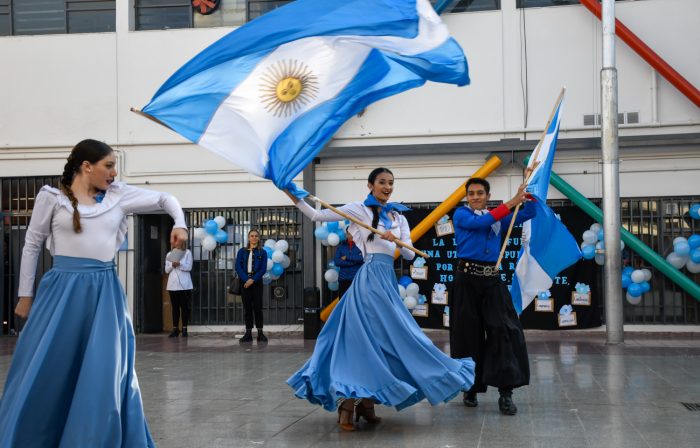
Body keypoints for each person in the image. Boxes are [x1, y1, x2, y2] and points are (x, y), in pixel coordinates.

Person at [0, 139, 188, 447]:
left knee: (104, 371)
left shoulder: (119, 196)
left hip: (104, 294)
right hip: (60, 293)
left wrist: (180, 224)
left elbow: (166, 198)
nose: (114, 173)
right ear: (87, 167)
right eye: (109, 166)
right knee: (48, 367)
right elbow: (32, 245)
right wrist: (25, 296)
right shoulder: (52, 198)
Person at [286, 167, 474, 431]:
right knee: (360, 341)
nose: (387, 187)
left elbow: (409, 256)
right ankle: (348, 404)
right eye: (382, 182)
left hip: (387, 282)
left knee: (388, 340)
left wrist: (396, 240)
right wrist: (290, 193)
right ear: (371, 185)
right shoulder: (358, 209)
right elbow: (317, 215)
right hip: (367, 280)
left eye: (391, 183)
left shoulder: (399, 216)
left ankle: (367, 402)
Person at [450, 177, 535, 416]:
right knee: (467, 335)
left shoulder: (500, 217)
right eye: (471, 193)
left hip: (492, 281)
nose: (475, 197)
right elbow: (483, 223)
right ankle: (470, 387)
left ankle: (506, 393)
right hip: (466, 280)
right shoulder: (461, 215)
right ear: (467, 196)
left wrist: (531, 194)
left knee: (505, 331)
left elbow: (529, 213)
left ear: (488, 195)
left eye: (480, 193)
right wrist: (512, 201)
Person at [235, 229, 268, 343]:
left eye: (256, 236)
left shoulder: (262, 252)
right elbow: (238, 267)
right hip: (245, 283)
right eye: (252, 236)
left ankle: (260, 333)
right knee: (247, 308)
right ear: (248, 238)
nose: (254, 238)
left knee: (258, 308)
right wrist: (246, 279)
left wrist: (253, 279)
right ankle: (248, 333)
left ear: (258, 238)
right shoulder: (242, 251)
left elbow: (263, 269)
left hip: (257, 283)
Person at [165, 240, 193, 338]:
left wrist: (179, 264)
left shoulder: (187, 253)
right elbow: (166, 270)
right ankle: (175, 329)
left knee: (184, 307)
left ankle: (185, 329)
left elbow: (189, 267)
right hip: (172, 285)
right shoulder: (169, 254)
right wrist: (172, 266)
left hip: (185, 285)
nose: (177, 243)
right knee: (175, 308)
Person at [333, 227, 364, 299]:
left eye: (352, 233)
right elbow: (337, 262)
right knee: (342, 303)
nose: (350, 235)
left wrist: (346, 257)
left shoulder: (361, 245)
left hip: (356, 278)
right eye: (349, 233)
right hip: (343, 279)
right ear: (346, 234)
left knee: (356, 302)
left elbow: (362, 259)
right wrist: (354, 262)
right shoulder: (341, 246)